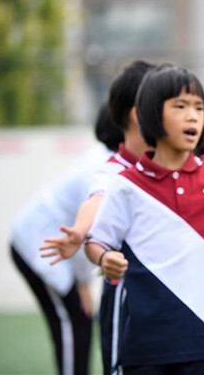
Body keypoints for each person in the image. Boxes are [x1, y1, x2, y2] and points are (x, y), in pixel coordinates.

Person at [85, 64, 204, 375]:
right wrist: (104, 258)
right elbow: (96, 241)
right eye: (180, 106)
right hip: (145, 348)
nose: (193, 116)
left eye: (199, 107)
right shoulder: (126, 185)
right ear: (149, 115)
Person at [40, 59, 156, 375]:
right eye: (172, 104)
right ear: (138, 113)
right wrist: (80, 231)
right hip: (129, 308)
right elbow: (97, 199)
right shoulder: (115, 170)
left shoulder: (173, 165)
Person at [11, 103, 122, 375]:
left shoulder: (107, 158)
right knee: (72, 321)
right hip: (37, 245)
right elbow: (83, 232)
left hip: (49, 245)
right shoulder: (101, 168)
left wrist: (82, 281)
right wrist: (83, 283)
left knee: (77, 320)